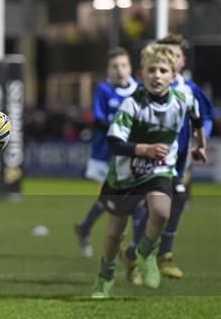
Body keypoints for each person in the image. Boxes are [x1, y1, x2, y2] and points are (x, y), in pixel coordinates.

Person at [91, 43, 206, 299]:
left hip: (158, 169)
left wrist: (201, 145)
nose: (157, 75)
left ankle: (145, 252)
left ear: (174, 76)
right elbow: (114, 143)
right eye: (151, 70)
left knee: (162, 210)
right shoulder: (131, 105)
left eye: (163, 70)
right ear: (141, 75)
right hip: (125, 174)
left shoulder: (184, 100)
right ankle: (105, 276)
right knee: (114, 233)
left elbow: (197, 118)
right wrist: (144, 149)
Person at [120, 34, 217, 280]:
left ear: (182, 61)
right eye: (166, 55)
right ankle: (147, 256)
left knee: (173, 201)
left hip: (176, 159)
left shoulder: (189, 89)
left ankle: (142, 255)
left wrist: (200, 139)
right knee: (151, 207)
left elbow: (205, 116)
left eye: (175, 55)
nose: (170, 59)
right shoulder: (147, 90)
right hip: (149, 160)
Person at [74, 47, 144, 259]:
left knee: (112, 198)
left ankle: (86, 227)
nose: (120, 70)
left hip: (131, 156)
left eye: (123, 65)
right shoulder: (104, 90)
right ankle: (129, 252)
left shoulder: (139, 89)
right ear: (108, 70)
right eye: (115, 66)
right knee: (119, 199)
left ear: (130, 67)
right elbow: (99, 120)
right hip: (105, 155)